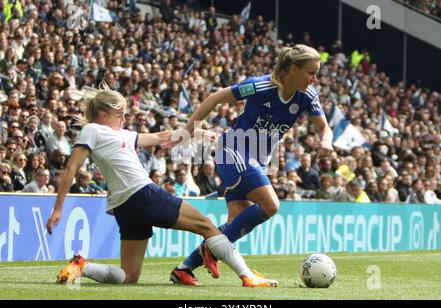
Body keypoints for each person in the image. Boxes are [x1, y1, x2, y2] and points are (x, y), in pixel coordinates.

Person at [46, 82, 277, 288]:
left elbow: (160, 137)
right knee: (208, 226)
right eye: (120, 114)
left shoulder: (119, 134)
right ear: (104, 114)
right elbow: (70, 170)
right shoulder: (92, 130)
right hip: (141, 194)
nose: (124, 119)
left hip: (124, 206)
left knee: (129, 276)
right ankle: (247, 276)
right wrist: (58, 208)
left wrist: (197, 131)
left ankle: (81, 267)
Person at [174, 44, 333, 283]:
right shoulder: (261, 85)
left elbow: (324, 128)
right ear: (292, 69)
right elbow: (215, 97)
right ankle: (211, 249)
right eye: (311, 72)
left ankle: (184, 269)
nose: (314, 78)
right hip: (233, 149)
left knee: (233, 225)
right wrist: (188, 129)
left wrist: (327, 140)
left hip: (254, 159)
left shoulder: (307, 96)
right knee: (270, 205)